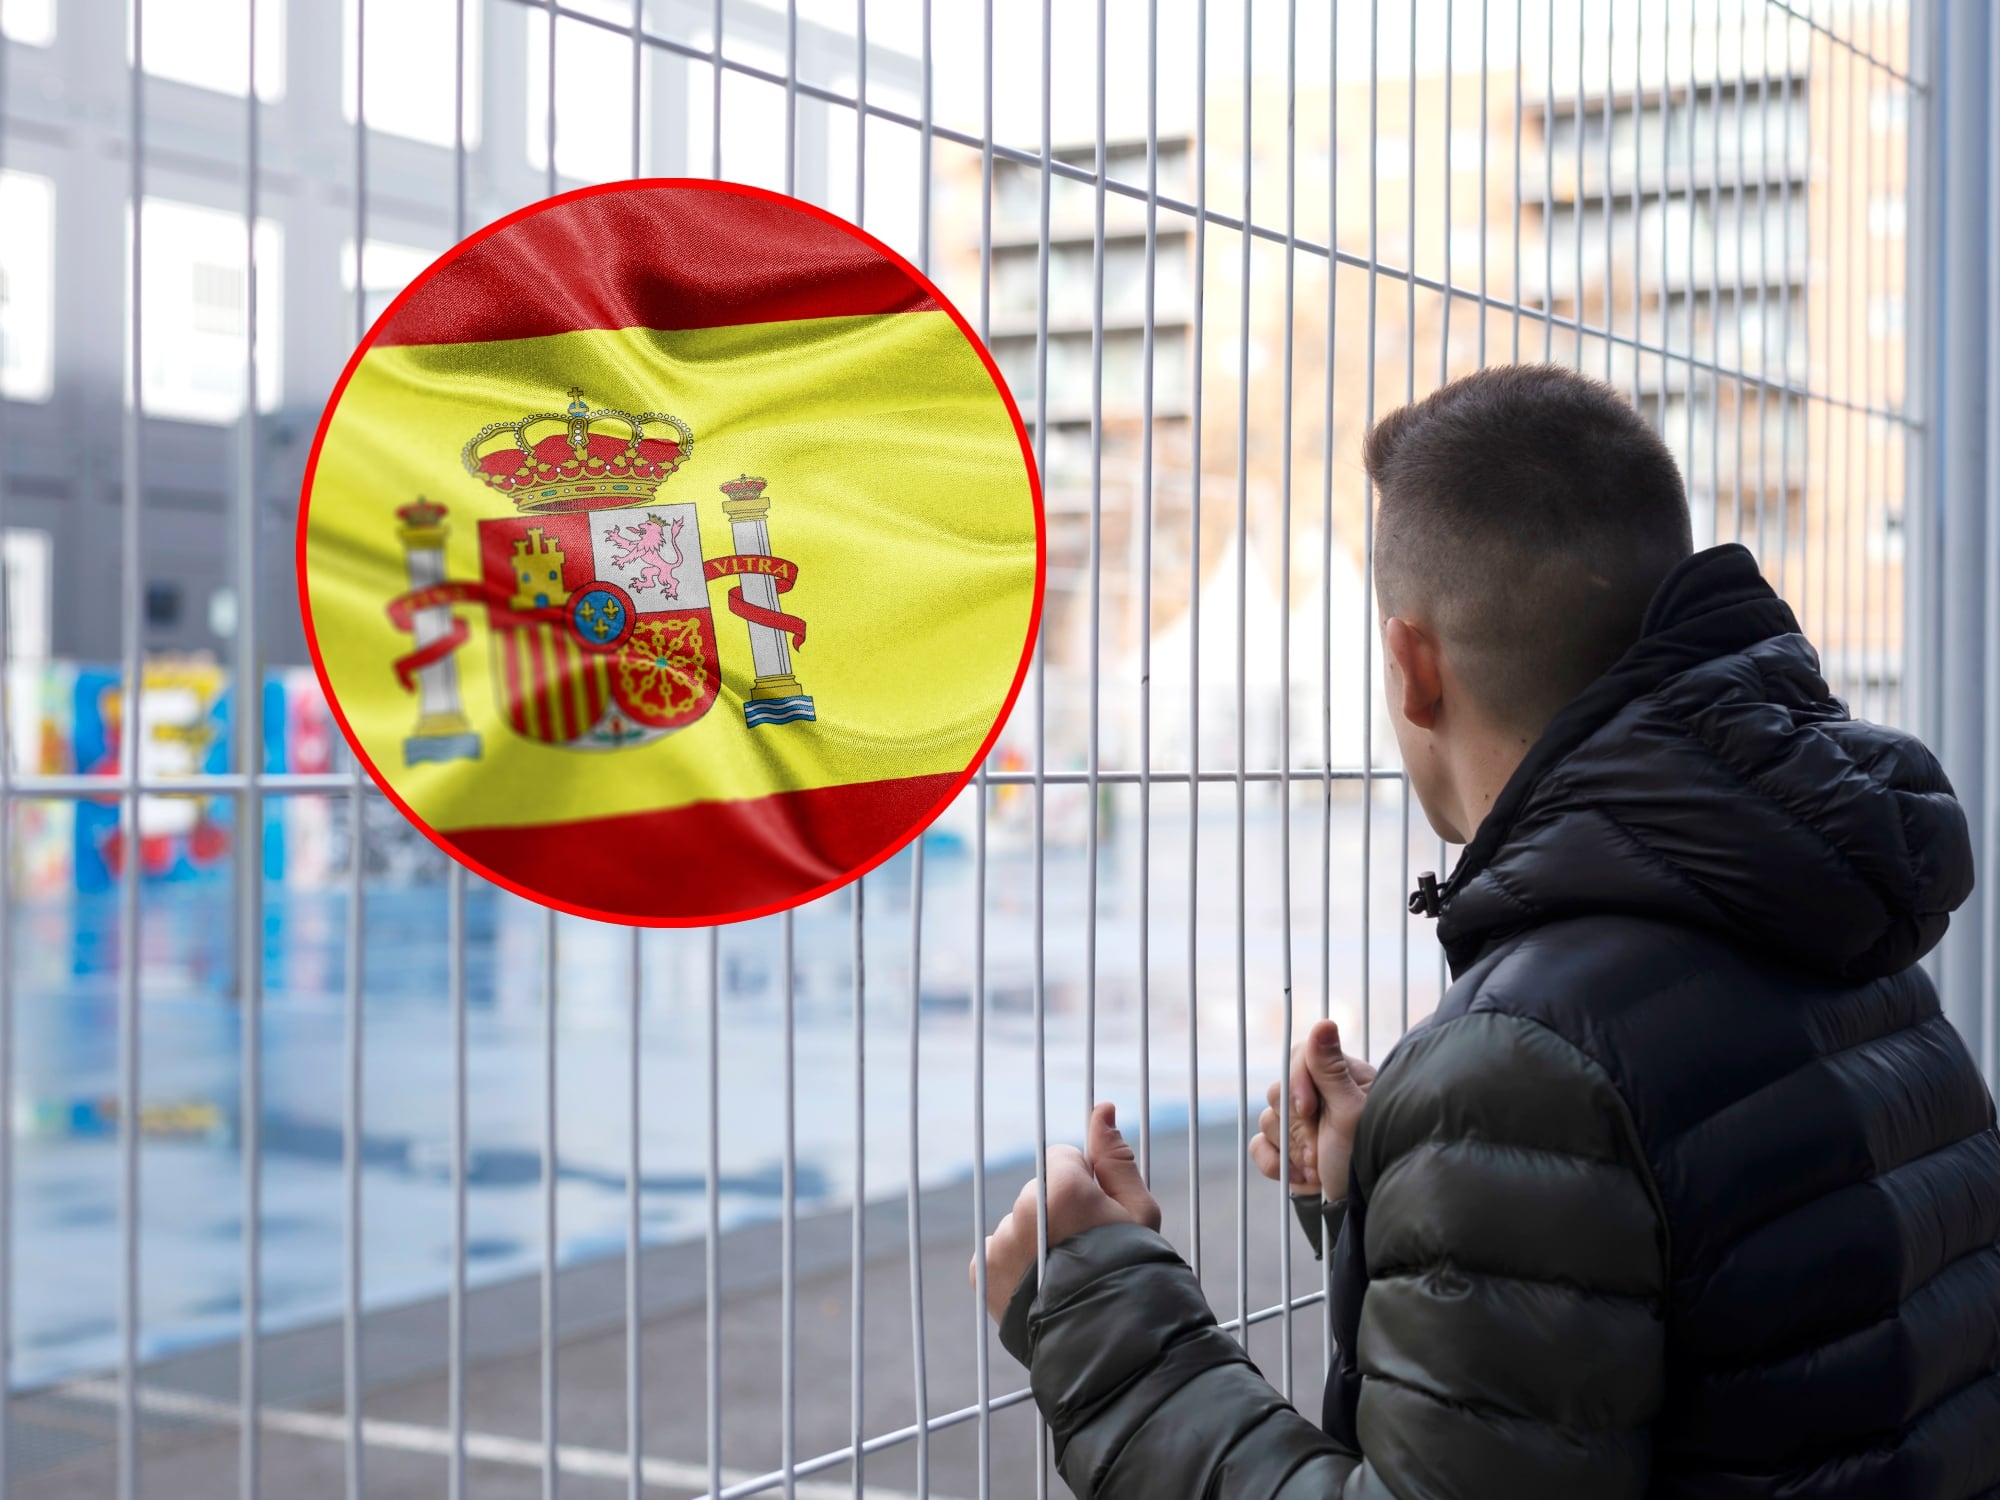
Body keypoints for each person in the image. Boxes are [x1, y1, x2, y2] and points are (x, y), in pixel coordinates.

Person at [974, 364, 2000, 1498]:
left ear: (1413, 668)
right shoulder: (1844, 944)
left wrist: (1099, 1313)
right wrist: (1396, 1191)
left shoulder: (1525, 1063)